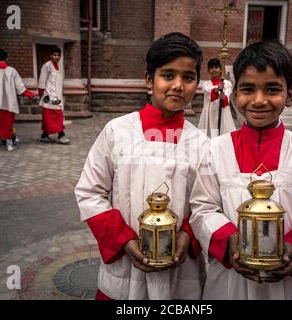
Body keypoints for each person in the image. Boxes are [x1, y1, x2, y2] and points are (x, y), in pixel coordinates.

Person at [189, 41, 292, 300]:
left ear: (290, 95)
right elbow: (203, 207)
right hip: (229, 282)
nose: (259, 100)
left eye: (272, 89)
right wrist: (230, 244)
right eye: (248, 89)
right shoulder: (215, 150)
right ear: (235, 93)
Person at [75, 32, 209, 300]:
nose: (178, 85)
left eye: (188, 77)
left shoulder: (202, 143)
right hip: (124, 266)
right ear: (150, 80)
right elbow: (90, 192)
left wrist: (189, 237)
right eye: (168, 75)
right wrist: (123, 239)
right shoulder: (117, 131)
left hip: (179, 267)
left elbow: (207, 203)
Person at [38, 46, 70, 144]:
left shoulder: (59, 67)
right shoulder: (47, 66)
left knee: (50, 117)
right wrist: (41, 96)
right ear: (51, 55)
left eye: (59, 55)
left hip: (57, 96)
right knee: (57, 115)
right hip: (49, 96)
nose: (57, 57)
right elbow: (42, 81)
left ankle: (44, 135)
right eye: (55, 55)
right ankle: (61, 135)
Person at [198, 58, 236, 138]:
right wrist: (216, 89)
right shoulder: (206, 84)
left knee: (224, 136)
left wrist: (222, 94)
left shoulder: (227, 84)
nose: (214, 70)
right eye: (211, 68)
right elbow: (209, 93)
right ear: (208, 70)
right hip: (209, 114)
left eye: (216, 67)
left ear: (220, 70)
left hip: (223, 112)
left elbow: (226, 98)